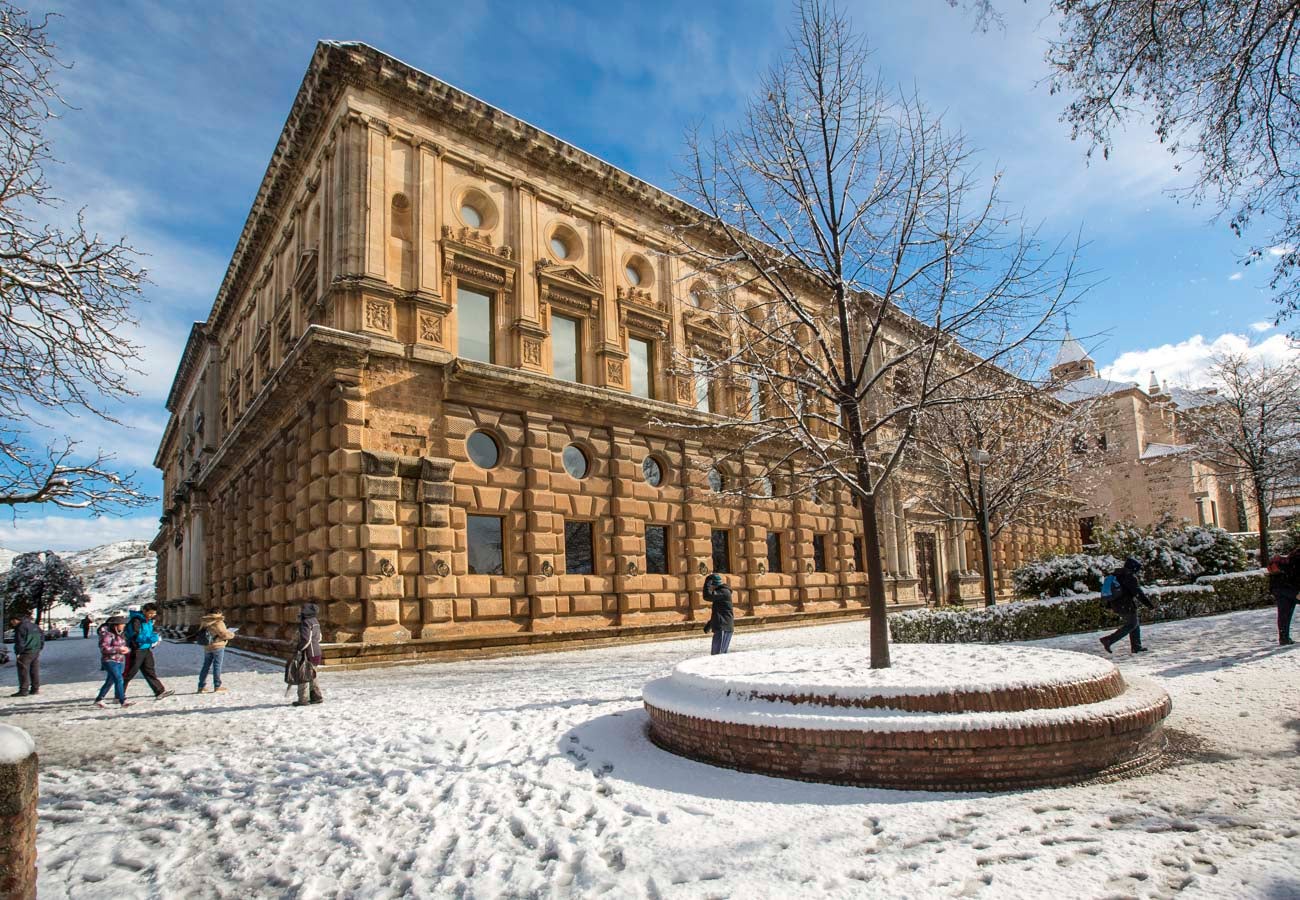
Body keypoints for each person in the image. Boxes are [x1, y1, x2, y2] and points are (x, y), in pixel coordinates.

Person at [1100, 557, 1154, 655]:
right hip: (1126, 605)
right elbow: (1138, 593)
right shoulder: (1129, 577)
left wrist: (1109, 605)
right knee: (1131, 624)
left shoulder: (1116, 574)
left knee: (1135, 623)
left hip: (1116, 604)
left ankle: (1136, 646)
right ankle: (1109, 640)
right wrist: (1149, 605)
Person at [123, 603, 174, 700]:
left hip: (146, 649)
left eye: (153, 614)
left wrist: (155, 638)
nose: (152, 615)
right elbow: (136, 636)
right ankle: (119, 693)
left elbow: (150, 632)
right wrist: (152, 638)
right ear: (144, 611)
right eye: (150, 613)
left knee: (149, 670)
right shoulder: (136, 620)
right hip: (136, 649)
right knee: (130, 672)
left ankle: (159, 691)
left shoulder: (148, 621)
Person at [93, 616, 132, 708]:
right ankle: (122, 700)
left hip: (119, 660)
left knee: (110, 681)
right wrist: (119, 649)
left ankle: (99, 699)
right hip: (109, 660)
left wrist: (127, 650)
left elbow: (124, 646)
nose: (123, 626)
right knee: (119, 679)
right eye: (122, 624)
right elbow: (104, 648)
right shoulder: (107, 635)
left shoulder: (121, 634)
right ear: (115, 625)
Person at [289, 603, 323, 706]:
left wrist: (299, 649)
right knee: (313, 674)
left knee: (303, 675)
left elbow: (306, 639)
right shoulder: (315, 621)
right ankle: (316, 696)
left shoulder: (305, 622)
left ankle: (303, 699)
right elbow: (320, 637)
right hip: (317, 652)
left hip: (308, 653)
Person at [196, 607, 235, 693]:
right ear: (218, 612)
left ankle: (201, 686)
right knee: (217, 666)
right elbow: (224, 634)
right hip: (218, 646)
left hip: (207, 646)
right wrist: (232, 634)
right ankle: (217, 686)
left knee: (205, 666)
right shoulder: (218, 621)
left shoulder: (205, 621)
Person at [1267, 548, 1299, 646]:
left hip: (1278, 587)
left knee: (1284, 613)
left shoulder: (1294, 554)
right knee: (1285, 613)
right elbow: (1297, 575)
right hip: (1289, 587)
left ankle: (1283, 638)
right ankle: (1284, 638)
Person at [8, 612, 43, 697]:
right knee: (34, 670)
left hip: (25, 652)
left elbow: (20, 642)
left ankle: (23, 690)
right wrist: (39, 648)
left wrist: (18, 652)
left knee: (23, 671)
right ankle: (35, 689)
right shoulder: (35, 626)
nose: (12, 623)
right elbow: (42, 638)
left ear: (16, 620)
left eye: (12, 621)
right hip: (35, 651)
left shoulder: (20, 627)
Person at [702, 573, 735, 655]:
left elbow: (707, 596)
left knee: (718, 656)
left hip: (724, 627)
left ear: (714, 585)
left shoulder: (723, 592)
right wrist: (709, 625)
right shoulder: (721, 593)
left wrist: (707, 581)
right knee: (716, 655)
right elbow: (718, 613)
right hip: (721, 627)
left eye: (711, 586)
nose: (711, 588)